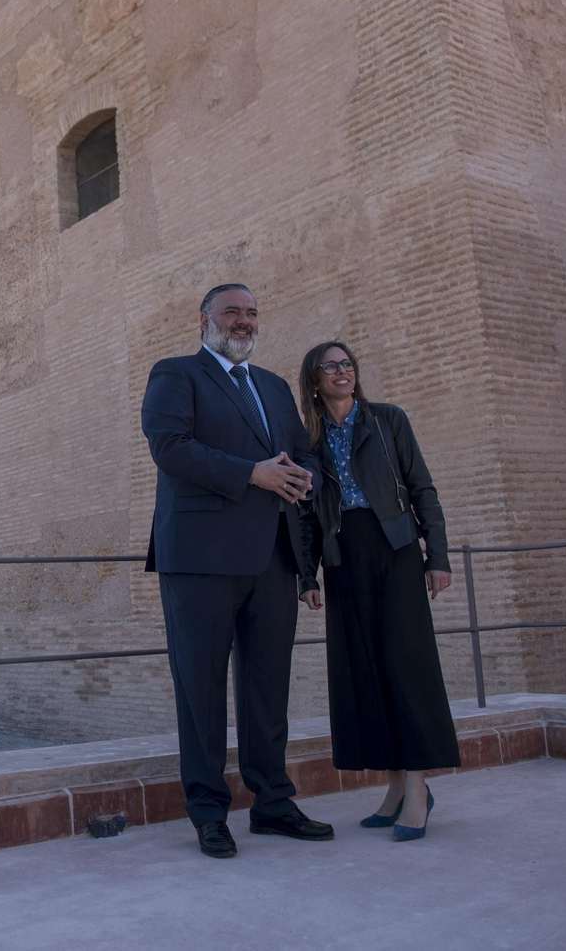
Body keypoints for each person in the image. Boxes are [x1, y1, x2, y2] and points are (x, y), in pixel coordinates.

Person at [140, 283, 334, 859]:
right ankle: (207, 812)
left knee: (268, 688)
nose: (244, 321)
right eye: (233, 312)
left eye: (251, 313)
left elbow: (308, 456)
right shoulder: (175, 374)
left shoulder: (273, 387)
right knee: (200, 690)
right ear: (205, 320)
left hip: (273, 558)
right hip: (199, 560)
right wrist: (252, 474)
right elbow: (169, 447)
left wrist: (305, 479)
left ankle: (272, 803)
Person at [295, 339, 460, 842]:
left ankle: (417, 789)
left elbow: (422, 488)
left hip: (396, 550)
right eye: (331, 367)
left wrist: (439, 556)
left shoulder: (388, 420)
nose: (342, 373)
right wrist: (307, 575)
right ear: (315, 381)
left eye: (348, 365)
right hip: (344, 559)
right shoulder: (310, 441)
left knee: (407, 668)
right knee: (366, 672)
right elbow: (305, 514)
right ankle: (393, 788)